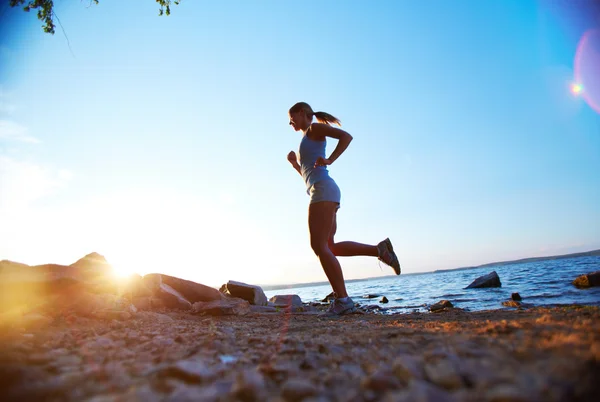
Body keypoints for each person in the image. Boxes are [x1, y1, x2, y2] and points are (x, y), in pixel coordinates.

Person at [287, 102, 401, 316]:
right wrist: (295, 164)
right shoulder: (306, 139)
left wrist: (330, 159)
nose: (289, 122)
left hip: (323, 191)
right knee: (329, 247)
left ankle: (343, 301)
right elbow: (308, 174)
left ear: (302, 113)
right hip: (322, 190)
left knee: (319, 247)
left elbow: (345, 137)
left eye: (291, 117)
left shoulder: (314, 129)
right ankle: (380, 250)